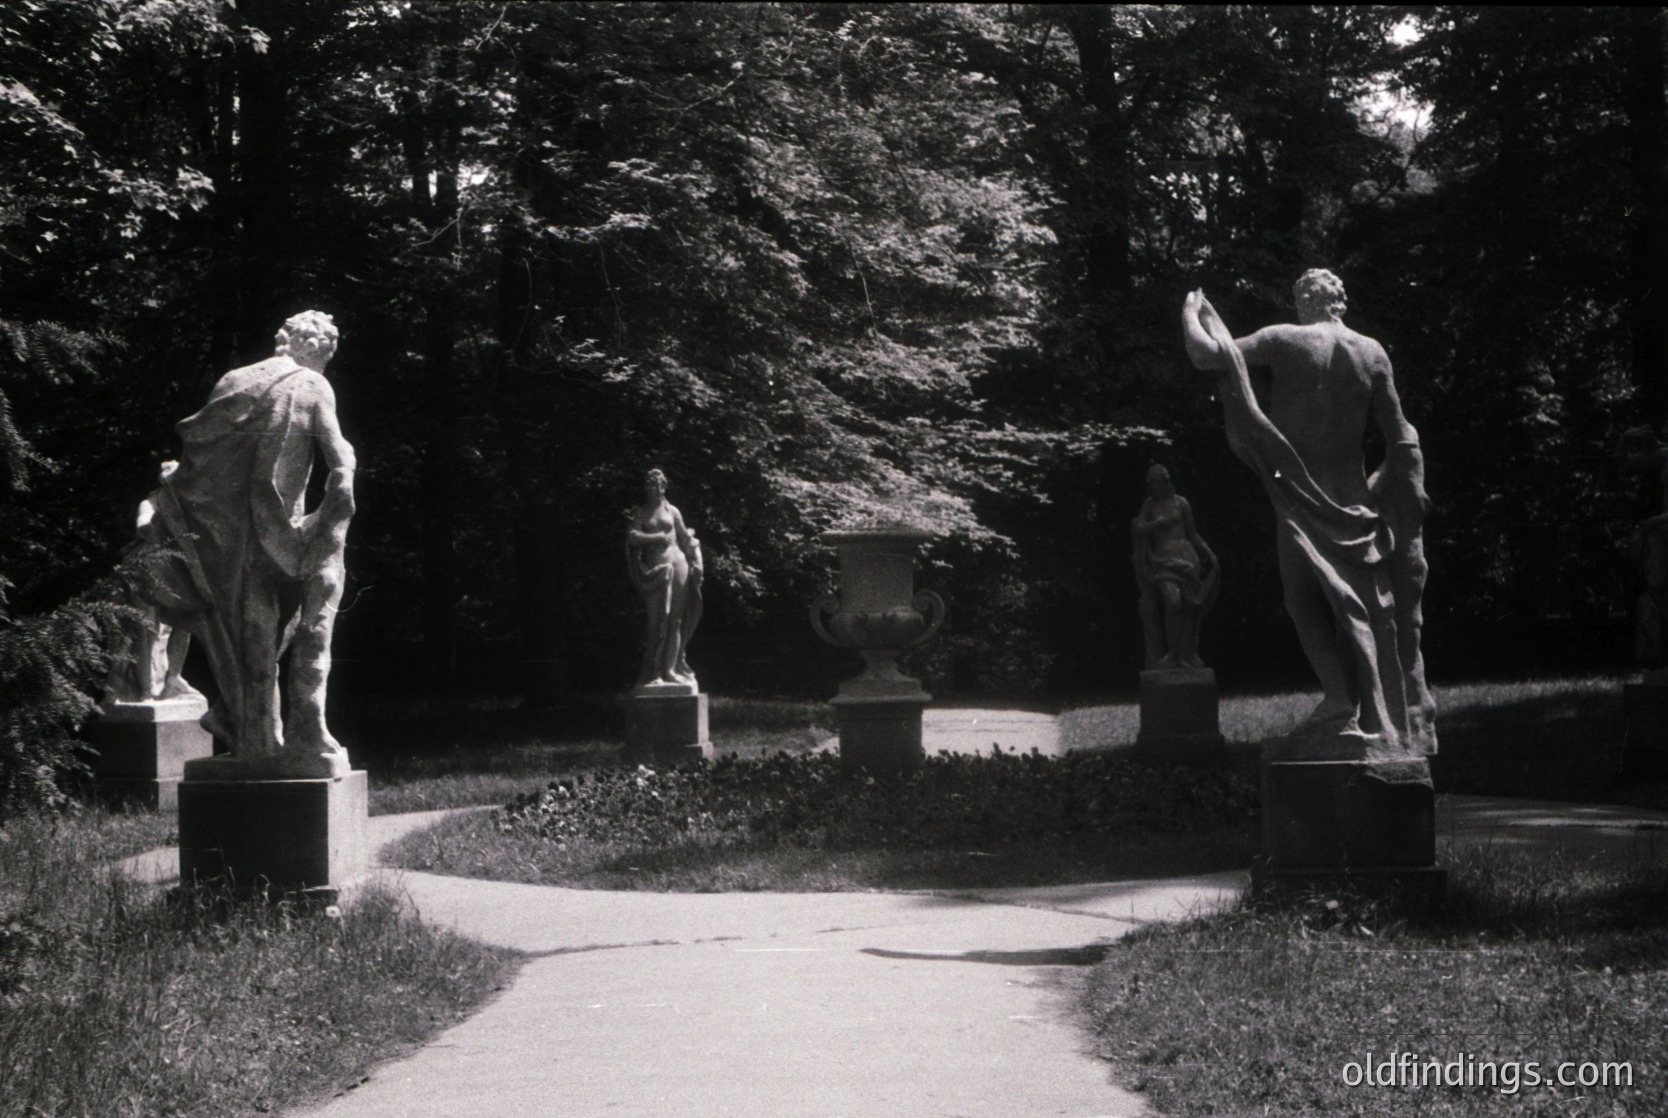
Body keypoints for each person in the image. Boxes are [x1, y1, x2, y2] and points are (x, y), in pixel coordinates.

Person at [1182, 270, 1436, 756]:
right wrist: (1394, 492)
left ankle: (1341, 701)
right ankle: (1377, 716)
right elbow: (1401, 435)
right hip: (1357, 502)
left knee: (1302, 601)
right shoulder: (1372, 352)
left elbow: (1207, 353)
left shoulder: (1286, 339)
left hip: (1301, 496)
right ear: (1340, 301)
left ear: (1304, 301)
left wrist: (1191, 312)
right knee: (1362, 611)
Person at [145, 310, 355, 773]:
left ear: (282, 337)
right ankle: (305, 736)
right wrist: (330, 527)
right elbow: (341, 463)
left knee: (256, 635)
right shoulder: (312, 385)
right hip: (290, 534)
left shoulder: (233, 382)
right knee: (308, 631)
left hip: (235, 542)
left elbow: (198, 467)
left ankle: (256, 736)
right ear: (317, 351)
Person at [1131, 463, 1219, 669]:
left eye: (1162, 481)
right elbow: (1138, 529)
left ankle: (1186, 656)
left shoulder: (1181, 503)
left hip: (1187, 556)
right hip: (1162, 559)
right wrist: (1158, 523)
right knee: (1173, 602)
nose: (1156, 486)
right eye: (1154, 483)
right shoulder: (1149, 505)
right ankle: (1172, 654)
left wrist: (1210, 554)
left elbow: (1193, 534)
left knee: (1189, 607)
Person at [626, 467, 703, 690]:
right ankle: (653, 672)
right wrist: (656, 537)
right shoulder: (643, 513)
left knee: (676, 621)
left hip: (679, 566)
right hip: (656, 573)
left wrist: (697, 560)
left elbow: (686, 539)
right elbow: (632, 536)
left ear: (663, 486)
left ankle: (671, 669)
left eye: (654, 483)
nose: (650, 487)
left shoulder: (673, 511)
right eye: (647, 483)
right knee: (656, 622)